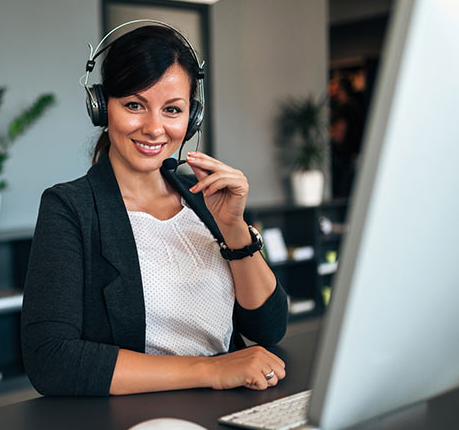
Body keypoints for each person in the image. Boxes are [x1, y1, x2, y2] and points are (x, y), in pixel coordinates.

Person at [21, 23, 288, 397]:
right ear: (102, 107)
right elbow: (50, 360)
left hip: (230, 405)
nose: (154, 128)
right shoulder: (70, 208)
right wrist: (210, 370)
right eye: (134, 105)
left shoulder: (205, 196)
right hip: (135, 419)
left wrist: (233, 228)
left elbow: (269, 328)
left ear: (192, 117)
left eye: (172, 109)